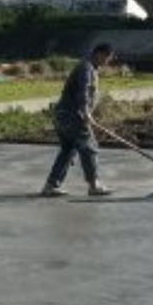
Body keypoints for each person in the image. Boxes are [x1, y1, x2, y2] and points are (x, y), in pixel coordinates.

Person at [41, 43, 115, 197]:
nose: (108, 61)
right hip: (73, 117)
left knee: (68, 151)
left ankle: (51, 185)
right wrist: (86, 112)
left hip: (64, 115)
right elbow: (83, 91)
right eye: (108, 57)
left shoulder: (89, 67)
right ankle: (94, 185)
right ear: (100, 54)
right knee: (89, 148)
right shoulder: (86, 68)